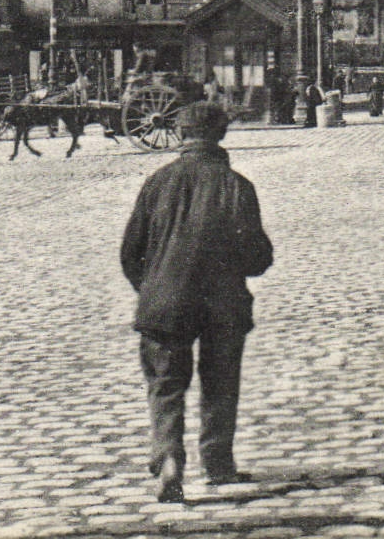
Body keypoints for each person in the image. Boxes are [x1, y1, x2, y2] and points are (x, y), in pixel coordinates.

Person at [121, 102, 273, 503]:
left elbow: (131, 252)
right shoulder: (237, 186)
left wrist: (153, 288)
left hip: (165, 302)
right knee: (221, 382)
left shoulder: (157, 183)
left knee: (165, 384)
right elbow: (257, 258)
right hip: (223, 302)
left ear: (181, 134)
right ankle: (218, 463)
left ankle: (169, 458)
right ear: (221, 135)